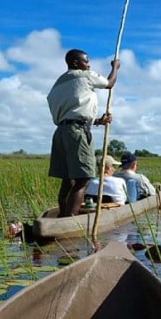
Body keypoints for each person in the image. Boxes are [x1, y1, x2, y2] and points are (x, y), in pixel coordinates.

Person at [47, 49, 120, 217]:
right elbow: (109, 83)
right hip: (77, 133)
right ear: (75, 63)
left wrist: (97, 121)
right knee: (83, 179)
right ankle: (70, 221)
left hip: (61, 132)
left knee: (68, 179)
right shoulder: (85, 76)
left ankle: (63, 217)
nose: (89, 65)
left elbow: (71, 112)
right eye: (86, 61)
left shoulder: (57, 85)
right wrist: (115, 67)